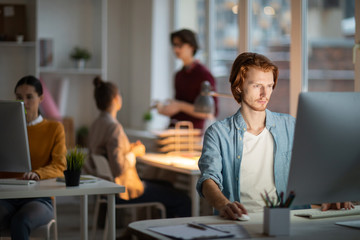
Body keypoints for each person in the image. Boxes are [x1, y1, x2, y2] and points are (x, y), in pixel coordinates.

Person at [196, 52, 354, 220]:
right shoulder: (218, 133)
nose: (265, 94)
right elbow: (208, 179)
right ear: (239, 86)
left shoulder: (290, 126)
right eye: (257, 85)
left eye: (270, 86)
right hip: (240, 221)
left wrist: (333, 194)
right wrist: (223, 204)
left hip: (288, 221)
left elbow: (316, 168)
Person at [87, 76, 191, 218]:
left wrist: (128, 148)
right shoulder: (114, 127)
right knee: (183, 200)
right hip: (123, 190)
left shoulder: (96, 125)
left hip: (105, 189)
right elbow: (118, 168)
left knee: (167, 186)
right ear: (116, 99)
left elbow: (107, 152)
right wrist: (133, 153)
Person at [0, 75, 67, 239]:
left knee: (20, 221)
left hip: (39, 198)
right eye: (19, 97)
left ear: (41, 98)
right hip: (6, 195)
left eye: (29, 97)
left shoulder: (54, 128)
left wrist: (38, 174)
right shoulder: (4, 127)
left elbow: (60, 165)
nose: (24, 102)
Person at [157, 29, 218, 130]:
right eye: (174, 45)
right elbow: (178, 106)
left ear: (191, 46)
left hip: (192, 135)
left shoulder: (204, 75)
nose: (175, 49)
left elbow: (211, 111)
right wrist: (167, 107)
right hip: (175, 130)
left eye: (179, 45)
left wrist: (180, 106)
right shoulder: (179, 75)